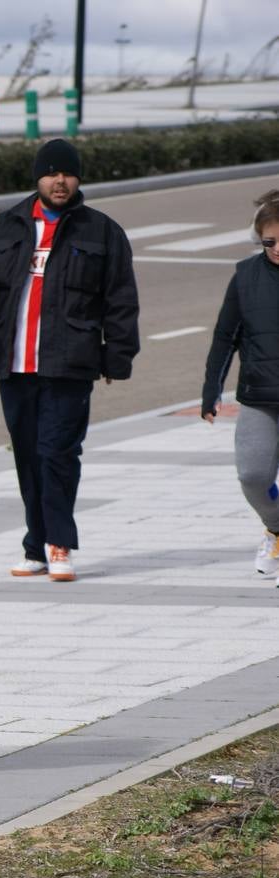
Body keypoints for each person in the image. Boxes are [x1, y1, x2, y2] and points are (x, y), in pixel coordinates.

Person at [0, 138, 139, 583]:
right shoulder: (7, 225)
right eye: (52, 173)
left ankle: (59, 543)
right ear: (38, 177)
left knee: (57, 452)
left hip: (69, 363)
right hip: (14, 362)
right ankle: (35, 545)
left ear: (78, 179)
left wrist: (118, 356)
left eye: (68, 173)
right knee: (28, 455)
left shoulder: (101, 231)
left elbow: (121, 299)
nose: (60, 180)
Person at [201, 190, 279, 583]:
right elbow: (224, 336)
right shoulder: (245, 276)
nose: (278, 249)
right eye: (270, 242)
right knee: (253, 476)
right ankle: (277, 529)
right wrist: (210, 389)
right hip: (259, 397)